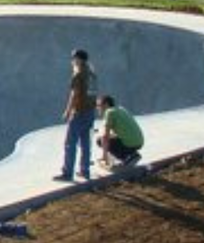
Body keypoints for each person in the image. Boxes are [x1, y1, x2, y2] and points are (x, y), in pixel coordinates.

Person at [55, 48, 98, 182]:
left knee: (70, 143)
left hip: (79, 112)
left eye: (73, 58)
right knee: (85, 142)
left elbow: (73, 95)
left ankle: (67, 173)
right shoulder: (92, 74)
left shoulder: (78, 75)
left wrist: (68, 111)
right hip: (90, 112)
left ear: (78, 59)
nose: (72, 61)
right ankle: (85, 171)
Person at [97, 94, 145, 168]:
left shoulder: (109, 112)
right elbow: (120, 132)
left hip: (130, 143)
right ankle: (132, 155)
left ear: (106, 104)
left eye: (99, 105)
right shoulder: (121, 109)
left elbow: (105, 136)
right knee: (111, 138)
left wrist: (104, 156)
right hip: (139, 142)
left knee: (99, 140)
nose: (97, 108)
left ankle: (127, 158)